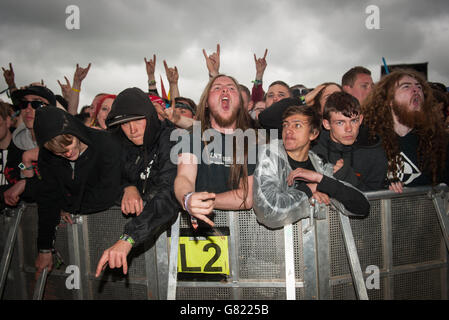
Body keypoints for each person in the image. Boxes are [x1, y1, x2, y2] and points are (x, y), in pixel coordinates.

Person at [95, 87, 179, 277]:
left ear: (150, 116)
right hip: (141, 242)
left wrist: (129, 237)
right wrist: (127, 187)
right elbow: (105, 178)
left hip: (169, 235)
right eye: (125, 124)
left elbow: (170, 192)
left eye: (138, 120)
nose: (132, 130)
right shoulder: (121, 143)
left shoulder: (171, 138)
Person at [33, 106, 122, 278]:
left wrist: (68, 205)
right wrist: (44, 248)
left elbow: (106, 194)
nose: (68, 153)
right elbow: (48, 198)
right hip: (80, 239)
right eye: (59, 152)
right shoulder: (47, 156)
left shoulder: (106, 143)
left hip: (113, 228)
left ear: (75, 131)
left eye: (69, 144)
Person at [253, 104, 369, 229]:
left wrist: (320, 180)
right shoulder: (270, 154)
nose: (288, 130)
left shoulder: (319, 165)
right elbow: (269, 212)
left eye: (297, 125)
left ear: (313, 134)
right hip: (276, 245)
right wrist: (309, 190)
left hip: (317, 245)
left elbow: (362, 207)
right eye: (285, 125)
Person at [174, 74, 255, 228]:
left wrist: (205, 201)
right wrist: (188, 198)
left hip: (242, 232)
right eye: (217, 88)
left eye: (231, 88)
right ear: (205, 103)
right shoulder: (191, 137)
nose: (225, 90)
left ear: (239, 103)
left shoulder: (250, 142)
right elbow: (184, 177)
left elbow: (246, 196)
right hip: (196, 230)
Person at [362, 69, 449, 192]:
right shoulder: (368, 139)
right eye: (406, 86)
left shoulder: (438, 140)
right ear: (389, 100)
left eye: (419, 87)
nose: (416, 90)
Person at [312, 91, 388, 191]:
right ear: (327, 124)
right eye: (340, 122)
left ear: (360, 120)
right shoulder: (314, 150)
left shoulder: (373, 151)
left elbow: (376, 200)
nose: (349, 129)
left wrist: (349, 179)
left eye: (354, 121)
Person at [3, 84, 57, 207]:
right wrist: (25, 166)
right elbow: (14, 169)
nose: (28, 109)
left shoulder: (62, 141)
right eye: (23, 104)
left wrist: (26, 184)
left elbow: (61, 186)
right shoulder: (17, 141)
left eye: (36, 104)